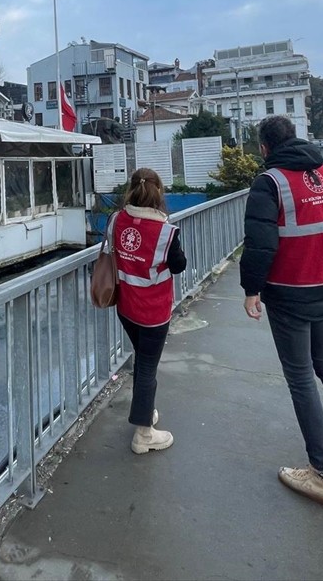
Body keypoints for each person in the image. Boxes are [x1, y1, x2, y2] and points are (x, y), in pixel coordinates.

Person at [241, 116, 323, 509]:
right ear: (296, 138)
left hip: (290, 295)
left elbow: (260, 244)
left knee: (300, 378)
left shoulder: (270, 183)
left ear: (265, 148)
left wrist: (251, 290)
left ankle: (321, 473)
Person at [109, 167, 186, 454]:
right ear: (159, 192)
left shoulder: (117, 219)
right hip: (153, 312)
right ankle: (143, 434)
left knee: (142, 360)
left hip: (125, 307)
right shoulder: (166, 232)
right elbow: (179, 265)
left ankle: (145, 410)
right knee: (148, 368)